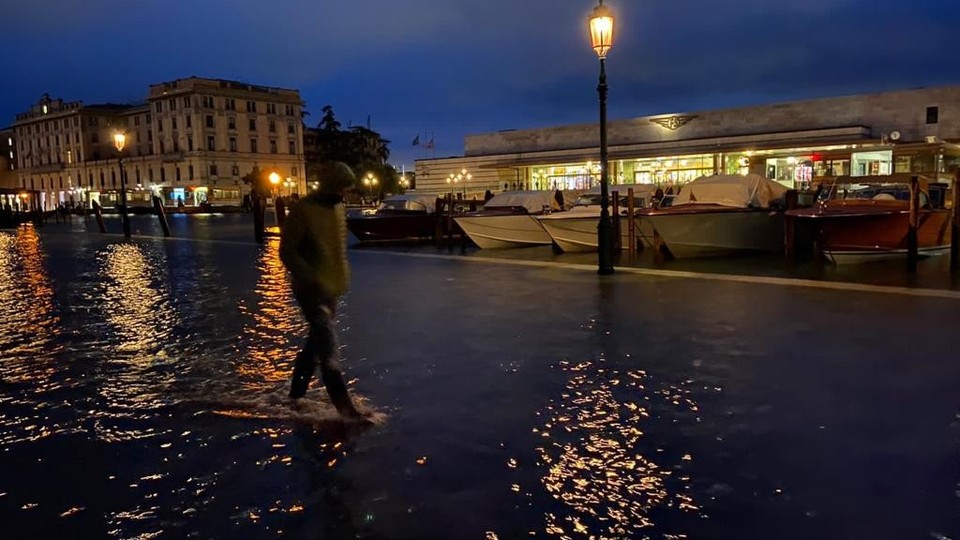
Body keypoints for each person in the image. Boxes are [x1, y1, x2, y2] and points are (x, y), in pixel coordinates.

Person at [280, 161, 366, 420]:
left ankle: (295, 396)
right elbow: (286, 252)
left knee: (315, 345)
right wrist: (311, 278)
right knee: (328, 349)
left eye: (346, 189)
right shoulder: (302, 210)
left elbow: (336, 249)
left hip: (331, 288)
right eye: (340, 188)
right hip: (311, 290)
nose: (344, 194)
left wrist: (339, 279)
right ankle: (347, 412)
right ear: (328, 185)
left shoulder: (338, 207)